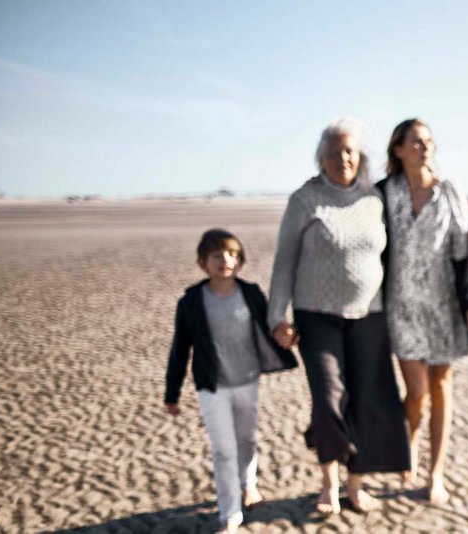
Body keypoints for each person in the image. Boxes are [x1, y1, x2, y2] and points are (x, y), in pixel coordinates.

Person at [268, 118, 409, 514]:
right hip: (317, 316)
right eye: (335, 152)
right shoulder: (304, 199)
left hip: (370, 316)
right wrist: (278, 316)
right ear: (322, 158)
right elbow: (284, 262)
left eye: (349, 151)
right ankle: (328, 483)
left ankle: (354, 484)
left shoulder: (373, 198)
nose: (343, 158)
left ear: (359, 156)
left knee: (366, 399)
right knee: (329, 398)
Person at [377, 118, 468, 505]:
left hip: (443, 305)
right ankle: (407, 443)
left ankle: (434, 473)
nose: (423, 147)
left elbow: (467, 251)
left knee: (440, 387)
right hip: (401, 305)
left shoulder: (449, 192)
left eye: (428, 141)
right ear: (398, 149)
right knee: (416, 392)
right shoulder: (384, 193)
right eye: (415, 141)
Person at [163, 229, 298, 533]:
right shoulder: (191, 301)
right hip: (212, 386)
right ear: (203, 263)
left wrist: (290, 336)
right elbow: (180, 348)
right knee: (224, 449)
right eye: (217, 255)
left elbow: (270, 327)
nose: (226, 260)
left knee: (247, 439)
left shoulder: (250, 293)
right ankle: (230, 513)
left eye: (233, 255)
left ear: (240, 261)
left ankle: (248, 485)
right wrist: (171, 393)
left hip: (248, 381)